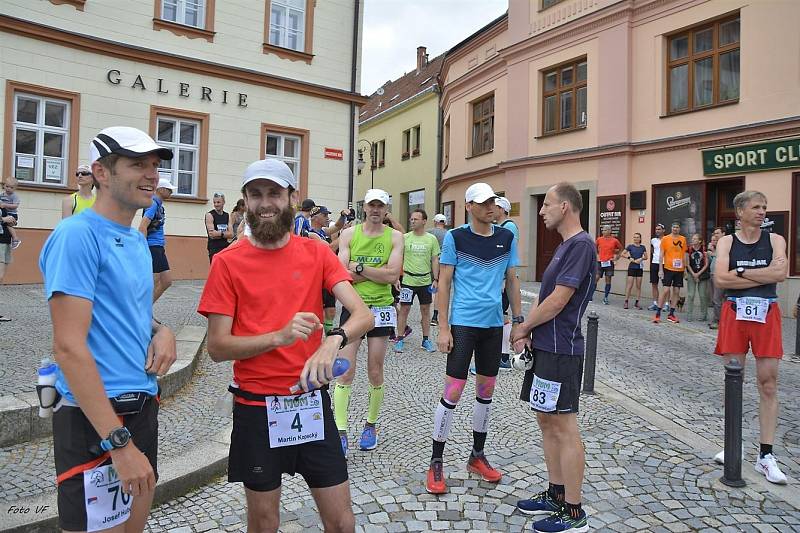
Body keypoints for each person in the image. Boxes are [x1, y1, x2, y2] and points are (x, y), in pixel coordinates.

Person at [199, 158, 372, 532]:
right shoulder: (227, 263)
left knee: (342, 521)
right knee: (263, 522)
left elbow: (362, 315)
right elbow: (217, 347)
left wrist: (333, 340)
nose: (265, 203)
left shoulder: (315, 252)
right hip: (257, 406)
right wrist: (278, 336)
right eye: (256, 194)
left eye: (274, 193)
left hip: (310, 402)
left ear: (292, 198)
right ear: (244, 201)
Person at [38, 126, 177, 532]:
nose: (151, 174)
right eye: (138, 165)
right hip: (93, 418)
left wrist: (161, 329)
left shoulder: (134, 240)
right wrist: (118, 444)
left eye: (154, 165)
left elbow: (128, 310)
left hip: (141, 405)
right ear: (101, 171)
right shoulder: (76, 236)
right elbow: (68, 346)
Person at [425, 182, 522, 495]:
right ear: (468, 206)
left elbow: (511, 280)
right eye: (482, 203)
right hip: (464, 324)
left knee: (486, 393)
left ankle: (476, 456)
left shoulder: (506, 237)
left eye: (492, 201)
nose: (489, 207)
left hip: (493, 326)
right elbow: (445, 283)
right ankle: (436, 460)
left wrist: (518, 324)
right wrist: (442, 328)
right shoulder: (456, 237)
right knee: (452, 393)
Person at [512, 182, 595, 533]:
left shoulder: (581, 245)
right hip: (546, 346)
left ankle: (574, 512)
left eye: (546, 205)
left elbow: (560, 300)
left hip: (563, 349)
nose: (541, 210)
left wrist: (522, 327)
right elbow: (549, 297)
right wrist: (530, 331)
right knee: (546, 419)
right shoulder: (564, 246)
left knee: (564, 424)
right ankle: (556, 493)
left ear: (565, 207)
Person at [712, 190, 788, 485]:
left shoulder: (775, 240)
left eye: (764, 207)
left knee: (768, 383)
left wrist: (740, 271)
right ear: (740, 212)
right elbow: (721, 278)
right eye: (756, 207)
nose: (762, 211)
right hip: (735, 312)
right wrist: (762, 273)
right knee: (734, 379)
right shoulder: (728, 242)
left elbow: (780, 274)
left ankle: (766, 455)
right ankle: (734, 444)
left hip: (766, 312)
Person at [334, 189, 403, 456]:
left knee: (375, 370)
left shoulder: (395, 236)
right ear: (365, 207)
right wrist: (378, 272)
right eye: (371, 205)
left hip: (382, 308)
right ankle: (340, 431)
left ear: (386, 210)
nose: (375, 209)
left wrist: (360, 268)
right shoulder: (349, 234)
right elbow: (342, 274)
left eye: (380, 206)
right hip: (353, 306)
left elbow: (392, 275)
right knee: (344, 370)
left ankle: (370, 425)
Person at [395, 208, 440, 353]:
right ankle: (399, 339)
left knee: (426, 310)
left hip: (425, 281)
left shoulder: (431, 239)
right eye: (411, 219)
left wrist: (436, 278)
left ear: (424, 221)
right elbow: (398, 258)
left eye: (416, 219)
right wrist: (396, 277)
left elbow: (434, 259)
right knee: (404, 310)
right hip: (408, 280)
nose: (412, 221)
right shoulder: (405, 237)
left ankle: (426, 340)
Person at [309, 205, 347, 333]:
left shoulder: (322, 231)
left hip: (326, 274)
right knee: (317, 311)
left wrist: (343, 215)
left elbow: (337, 226)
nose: (327, 217)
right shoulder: (310, 233)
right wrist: (347, 236)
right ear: (315, 217)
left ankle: (329, 338)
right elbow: (329, 248)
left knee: (331, 311)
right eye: (324, 215)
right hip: (315, 276)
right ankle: (316, 339)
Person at [139, 178, 176, 303]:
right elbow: (142, 226)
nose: (171, 192)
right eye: (169, 189)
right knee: (153, 281)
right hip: (152, 246)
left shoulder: (159, 205)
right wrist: (143, 248)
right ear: (161, 189)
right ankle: (142, 313)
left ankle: (146, 311)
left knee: (166, 281)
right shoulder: (153, 204)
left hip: (159, 246)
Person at [652, 223, 687, 324]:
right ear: (671, 228)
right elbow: (661, 254)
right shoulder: (666, 239)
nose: (675, 229)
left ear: (679, 229)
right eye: (673, 227)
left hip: (679, 269)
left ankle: (671, 314)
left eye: (677, 227)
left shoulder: (683, 239)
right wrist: (660, 269)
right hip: (668, 268)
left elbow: (684, 254)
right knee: (666, 290)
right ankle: (658, 313)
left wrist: (685, 269)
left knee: (676, 291)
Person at [428, 213, 447, 327]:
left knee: (427, 286)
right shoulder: (448, 233)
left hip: (429, 262)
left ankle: (425, 310)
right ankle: (435, 316)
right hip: (442, 263)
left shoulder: (429, 232)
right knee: (438, 288)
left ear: (435, 222)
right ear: (444, 223)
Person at [685, 233, 710, 322]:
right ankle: (689, 314)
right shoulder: (688, 249)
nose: (693, 240)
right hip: (691, 274)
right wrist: (693, 274)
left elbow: (706, 264)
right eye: (692, 238)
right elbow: (687, 263)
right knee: (691, 294)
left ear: (699, 241)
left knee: (702, 295)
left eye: (695, 239)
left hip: (702, 275)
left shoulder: (704, 249)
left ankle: (704, 315)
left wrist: (698, 274)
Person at [0, 204, 18, 321]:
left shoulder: (2, 205)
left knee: (0, 278)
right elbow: (4, 219)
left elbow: (11, 221)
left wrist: (12, 221)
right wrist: (3, 219)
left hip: (5, 242)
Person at [595, 225, 621, 305]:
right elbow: (594, 248)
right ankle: (590, 296)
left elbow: (621, 249)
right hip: (600, 262)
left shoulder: (614, 240)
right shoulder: (599, 239)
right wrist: (597, 256)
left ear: (610, 231)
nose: (603, 231)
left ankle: (605, 297)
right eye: (603, 230)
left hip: (609, 262)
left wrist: (616, 258)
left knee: (608, 280)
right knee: (596, 278)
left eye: (605, 230)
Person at [622, 233, 647, 309]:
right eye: (634, 237)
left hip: (639, 268)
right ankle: (626, 301)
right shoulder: (630, 246)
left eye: (637, 237)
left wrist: (641, 259)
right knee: (629, 285)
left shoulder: (643, 247)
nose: (636, 239)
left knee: (638, 286)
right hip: (632, 267)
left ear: (640, 238)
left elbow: (646, 257)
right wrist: (629, 258)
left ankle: (637, 302)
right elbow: (622, 254)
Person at [206, 193, 232, 262]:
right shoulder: (210, 215)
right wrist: (225, 234)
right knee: (215, 270)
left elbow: (231, 234)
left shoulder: (227, 215)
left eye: (218, 202)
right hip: (214, 248)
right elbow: (212, 235)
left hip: (225, 248)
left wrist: (219, 234)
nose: (216, 204)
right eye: (214, 202)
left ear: (223, 202)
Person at [708, 227, 724, 330]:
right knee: (714, 298)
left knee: (718, 299)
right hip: (712, 274)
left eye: (718, 233)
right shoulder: (716, 245)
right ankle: (716, 319)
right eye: (715, 233)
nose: (716, 235)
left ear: (723, 233)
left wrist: (713, 253)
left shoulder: (725, 244)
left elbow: (723, 257)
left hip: (720, 274)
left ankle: (718, 321)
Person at [0, 176, 22, 249]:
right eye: (7, 186)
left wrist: (5, 205)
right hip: (5, 214)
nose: (8, 189)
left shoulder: (14, 196)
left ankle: (15, 239)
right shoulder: (1, 195)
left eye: (11, 187)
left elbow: (15, 206)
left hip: (12, 214)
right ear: (4, 185)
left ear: (15, 188)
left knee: (9, 225)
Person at [647, 223, 665, 311]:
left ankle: (666, 304)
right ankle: (655, 303)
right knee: (654, 284)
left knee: (666, 285)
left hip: (665, 263)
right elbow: (652, 251)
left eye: (659, 229)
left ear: (663, 230)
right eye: (656, 229)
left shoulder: (667, 239)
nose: (657, 231)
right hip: (654, 263)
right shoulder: (653, 240)